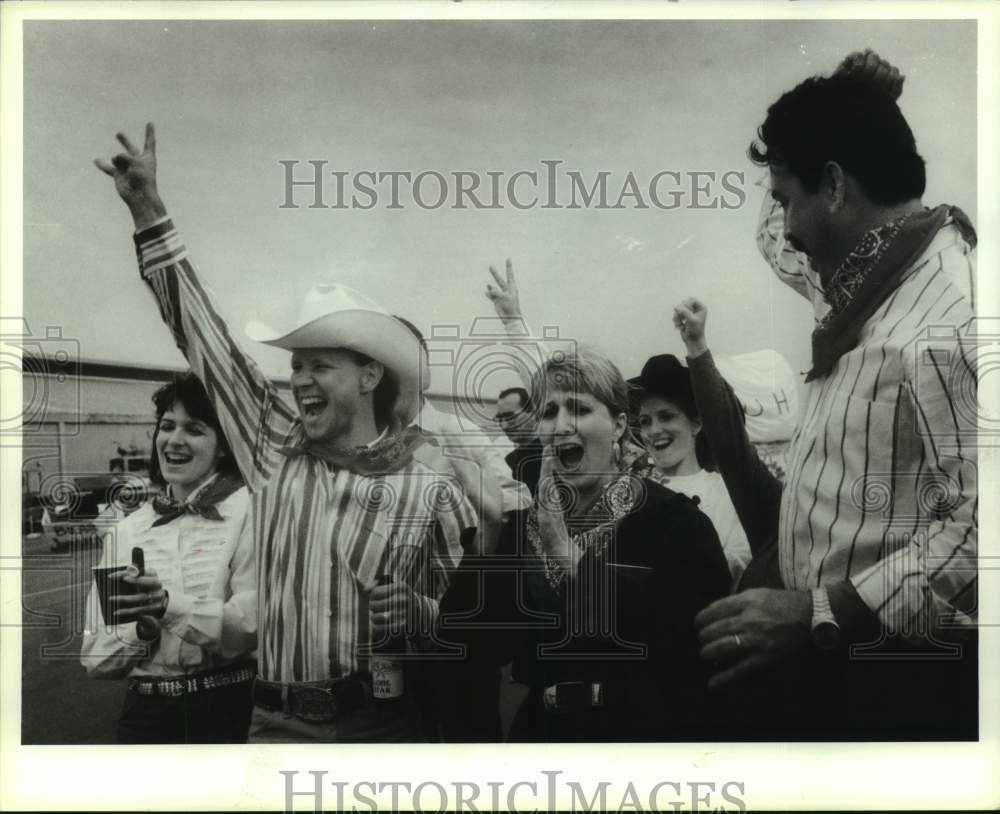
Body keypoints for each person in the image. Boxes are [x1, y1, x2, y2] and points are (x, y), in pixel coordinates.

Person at [96, 124, 476, 743]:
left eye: (319, 365)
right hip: (275, 726)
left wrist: (425, 616)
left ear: (369, 374)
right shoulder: (272, 444)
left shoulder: (430, 489)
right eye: (295, 366)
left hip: (383, 730)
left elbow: (473, 627)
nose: (299, 380)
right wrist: (149, 211)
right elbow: (207, 342)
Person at [691, 50, 978, 739]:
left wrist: (825, 610)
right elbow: (779, 243)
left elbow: (983, 531)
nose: (783, 223)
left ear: (836, 185)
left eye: (787, 197)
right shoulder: (866, 280)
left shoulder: (951, 316)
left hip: (898, 687)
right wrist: (850, 103)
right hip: (833, 674)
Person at [438, 344, 731, 741]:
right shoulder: (522, 528)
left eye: (579, 409)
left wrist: (568, 555)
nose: (561, 425)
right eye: (549, 412)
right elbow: (464, 643)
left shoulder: (675, 522)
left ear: (618, 425)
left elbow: (686, 647)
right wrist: (487, 537)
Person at [80, 372, 255, 743]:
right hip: (146, 716)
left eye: (194, 429)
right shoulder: (129, 530)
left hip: (231, 707)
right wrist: (141, 630)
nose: (174, 440)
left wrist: (166, 606)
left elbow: (250, 627)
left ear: (224, 444)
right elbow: (96, 658)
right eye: (167, 426)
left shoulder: (249, 513)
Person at [629, 354, 752, 586]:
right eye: (645, 421)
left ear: (696, 423)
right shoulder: (633, 492)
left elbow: (738, 563)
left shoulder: (724, 493)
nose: (653, 431)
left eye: (666, 416)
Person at [494, 386, 544, 497]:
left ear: (533, 413)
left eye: (510, 417)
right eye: (500, 419)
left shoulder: (551, 452)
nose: (504, 425)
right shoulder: (510, 460)